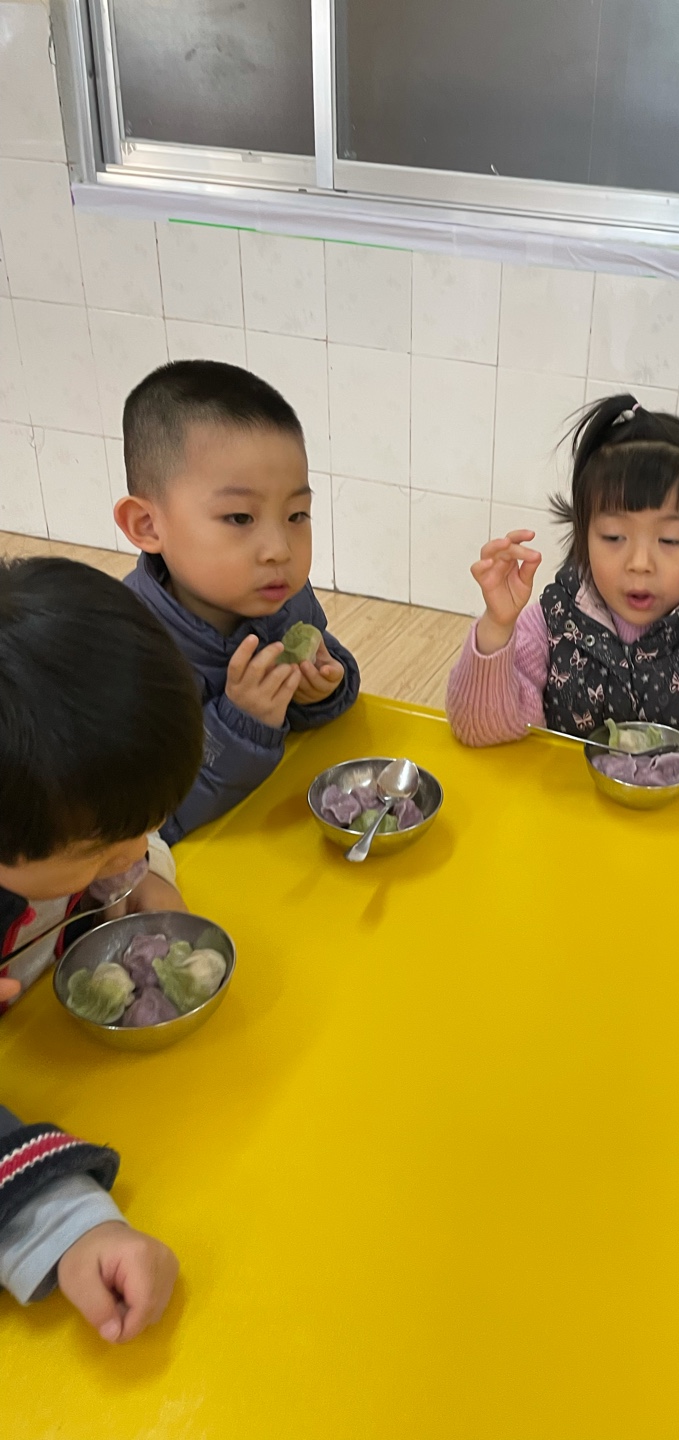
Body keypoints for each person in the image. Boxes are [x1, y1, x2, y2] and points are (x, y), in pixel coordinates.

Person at [0, 557, 204, 1338]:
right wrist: (70, 1226)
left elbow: (122, 841)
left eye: (142, 827)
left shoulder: (50, 808)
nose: (133, 851)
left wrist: (138, 880)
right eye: (101, 847)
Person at [446, 394, 679, 790]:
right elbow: (479, 728)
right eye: (614, 537)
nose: (639, 563)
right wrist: (497, 627)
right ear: (584, 537)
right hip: (568, 813)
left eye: (669, 540)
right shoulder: (554, 622)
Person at [114, 360, 360, 844]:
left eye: (296, 515)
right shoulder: (126, 654)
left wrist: (321, 693)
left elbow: (316, 693)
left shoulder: (282, 596)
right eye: (240, 518)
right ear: (147, 525)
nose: (279, 550)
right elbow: (142, 821)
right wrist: (242, 726)